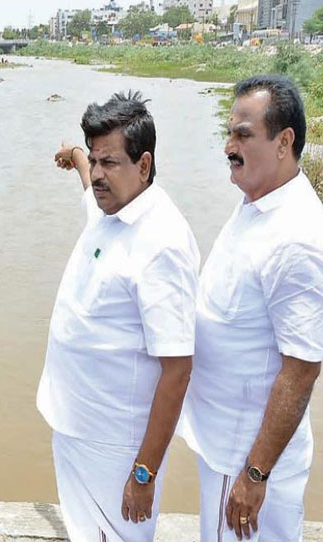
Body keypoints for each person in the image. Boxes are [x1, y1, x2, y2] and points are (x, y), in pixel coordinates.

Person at [37, 91, 199, 541]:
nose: (99, 174)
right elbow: (90, 188)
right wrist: (74, 156)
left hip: (117, 450)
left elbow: (178, 370)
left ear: (143, 165)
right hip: (75, 430)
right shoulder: (112, 209)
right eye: (95, 159)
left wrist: (144, 472)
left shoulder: (161, 243)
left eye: (109, 162)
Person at [180, 75, 323, 542]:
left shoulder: (295, 238)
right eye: (228, 132)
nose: (228, 145)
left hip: (248, 465)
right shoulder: (256, 204)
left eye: (243, 134)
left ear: (284, 142)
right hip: (225, 451)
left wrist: (255, 474)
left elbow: (302, 368)